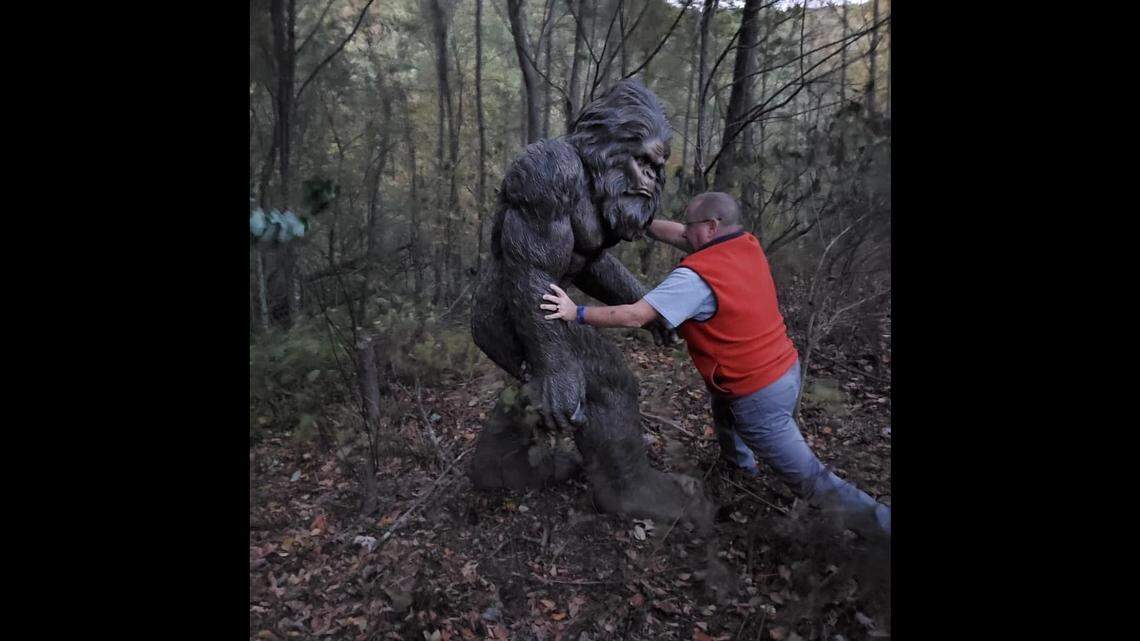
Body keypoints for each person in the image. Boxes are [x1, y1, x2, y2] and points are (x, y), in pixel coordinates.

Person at [539, 191, 891, 540]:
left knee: (812, 480)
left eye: (690, 226)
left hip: (758, 393)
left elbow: (636, 316)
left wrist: (577, 312)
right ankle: (740, 469)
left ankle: (882, 527)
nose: (682, 233)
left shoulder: (695, 280)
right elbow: (678, 232)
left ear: (710, 226)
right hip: (783, 369)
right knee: (724, 408)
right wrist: (639, 222)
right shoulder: (745, 244)